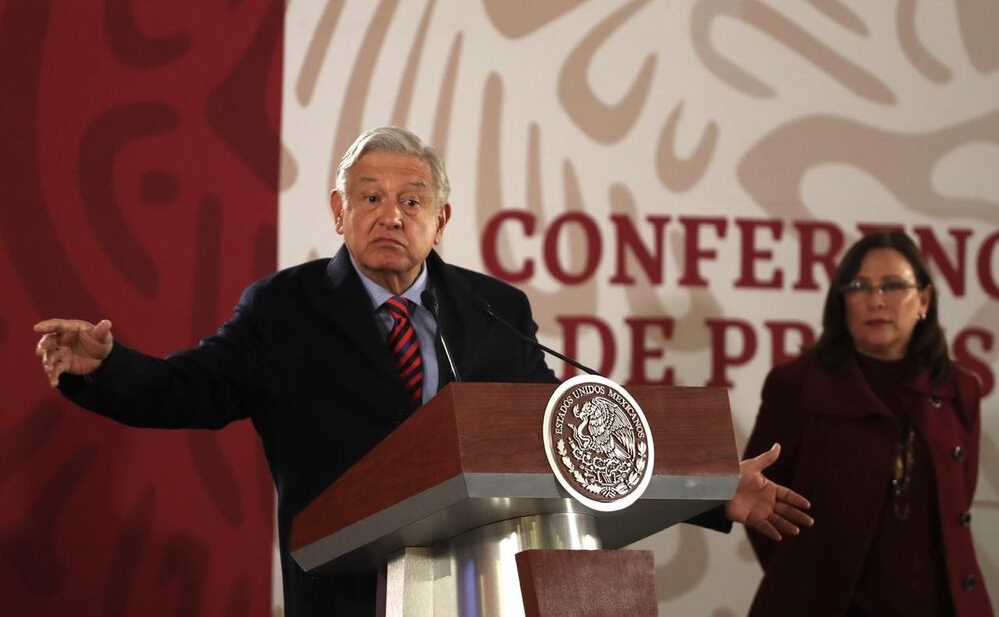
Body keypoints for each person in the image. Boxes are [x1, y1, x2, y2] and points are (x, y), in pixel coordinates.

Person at [36, 126, 810, 616]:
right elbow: (191, 391)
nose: (390, 214)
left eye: (412, 199)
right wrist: (105, 366)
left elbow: (563, 444)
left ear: (442, 219)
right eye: (369, 197)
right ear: (337, 212)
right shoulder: (284, 309)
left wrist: (711, 492)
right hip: (348, 594)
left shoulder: (493, 309)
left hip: (490, 587)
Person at [743, 231, 993, 617]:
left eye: (893, 285)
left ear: (923, 299)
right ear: (841, 302)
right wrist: (805, 583)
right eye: (860, 286)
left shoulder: (960, 389)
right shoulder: (796, 386)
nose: (876, 299)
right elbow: (758, 503)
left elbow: (955, 506)